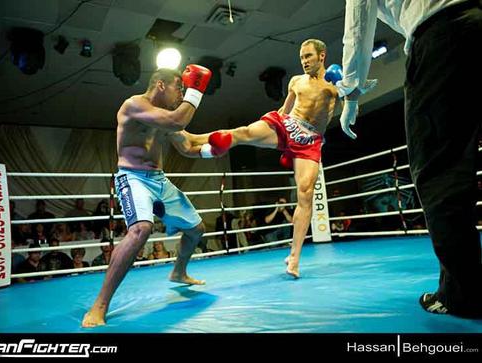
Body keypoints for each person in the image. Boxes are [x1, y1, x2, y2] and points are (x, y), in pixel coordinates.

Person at [337, 0, 481, 318]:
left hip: (441, 37)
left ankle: (463, 294)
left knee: (440, 167)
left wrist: (351, 92)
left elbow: (358, 25)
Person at [186, 39, 376, 278]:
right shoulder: (296, 81)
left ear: (321, 55)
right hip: (287, 124)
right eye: (302, 57)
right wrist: (269, 125)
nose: (304, 61)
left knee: (305, 193)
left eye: (308, 56)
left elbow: (354, 97)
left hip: (310, 140)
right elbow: (284, 110)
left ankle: (294, 257)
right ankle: (193, 139)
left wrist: (351, 89)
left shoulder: (335, 83)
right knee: (243, 133)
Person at [82, 65, 212, 327]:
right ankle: (100, 305)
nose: (182, 94)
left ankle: (178, 272)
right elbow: (178, 121)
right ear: (161, 85)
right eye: (180, 87)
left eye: (186, 89)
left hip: (159, 180)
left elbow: (187, 146)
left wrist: (214, 148)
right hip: (133, 177)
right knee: (141, 229)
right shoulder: (133, 105)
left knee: (197, 229)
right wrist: (196, 92)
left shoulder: (164, 117)